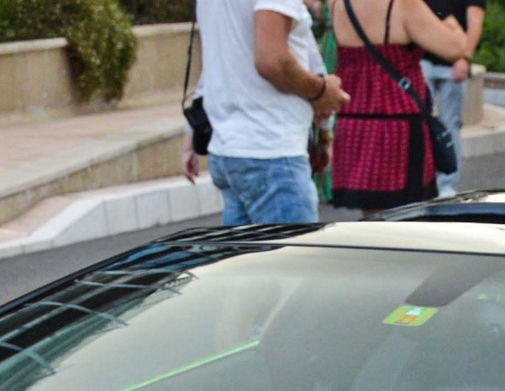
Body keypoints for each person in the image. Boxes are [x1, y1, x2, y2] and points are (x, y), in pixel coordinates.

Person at [185, 0, 350, 226]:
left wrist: (323, 130)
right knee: (291, 259)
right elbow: (272, 61)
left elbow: (219, 57)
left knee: (247, 260)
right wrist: (321, 91)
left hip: (230, 149)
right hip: (271, 151)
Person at [328, 0, 467, 211]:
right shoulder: (404, 4)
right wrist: (443, 12)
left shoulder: (337, 3)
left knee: (371, 217)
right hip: (397, 126)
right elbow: (455, 47)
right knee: (407, 220)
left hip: (353, 123)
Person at [421, 0, 481, 194]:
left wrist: (466, 57)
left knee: (450, 124)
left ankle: (448, 184)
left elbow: (475, 23)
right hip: (424, 59)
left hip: (453, 62)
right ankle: (422, 179)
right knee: (419, 123)